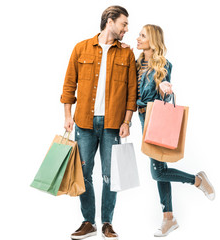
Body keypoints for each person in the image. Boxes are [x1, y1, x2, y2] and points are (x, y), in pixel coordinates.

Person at [60, 5, 137, 240]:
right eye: (123, 23)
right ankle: (88, 221)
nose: (126, 28)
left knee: (111, 175)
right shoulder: (81, 48)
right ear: (110, 21)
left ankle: (107, 223)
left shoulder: (126, 53)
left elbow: (132, 92)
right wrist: (67, 115)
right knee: (83, 173)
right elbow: (69, 84)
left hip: (114, 124)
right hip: (83, 123)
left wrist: (127, 121)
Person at [136, 24, 215, 237]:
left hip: (155, 118)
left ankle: (197, 180)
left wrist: (164, 88)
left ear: (152, 40)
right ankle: (168, 218)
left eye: (142, 35)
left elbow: (164, 86)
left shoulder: (164, 64)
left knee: (157, 171)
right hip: (142, 118)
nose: (138, 38)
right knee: (159, 168)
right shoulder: (135, 63)